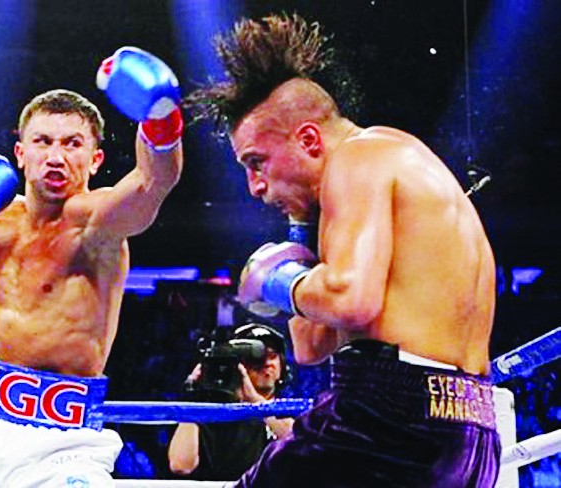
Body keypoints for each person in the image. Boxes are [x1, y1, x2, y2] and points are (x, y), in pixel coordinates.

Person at [185, 13, 500, 488]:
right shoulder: (392, 170)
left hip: (389, 422)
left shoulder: (359, 157)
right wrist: (298, 235)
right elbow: (311, 347)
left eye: (257, 162)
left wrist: (274, 280)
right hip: (467, 431)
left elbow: (351, 300)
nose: (254, 186)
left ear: (309, 139)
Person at [0, 46, 184, 488]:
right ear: (21, 153)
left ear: (95, 160)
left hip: (62, 444)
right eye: (43, 142)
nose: (56, 156)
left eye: (72, 144)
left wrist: (160, 119)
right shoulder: (0, 217)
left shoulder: (96, 222)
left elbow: (154, 182)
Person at [168, 323, 294, 481]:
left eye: (272, 355)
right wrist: (194, 397)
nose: (266, 363)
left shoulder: (290, 412)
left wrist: (255, 401)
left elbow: (300, 442)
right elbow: (181, 465)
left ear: (283, 366)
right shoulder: (212, 415)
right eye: (256, 358)